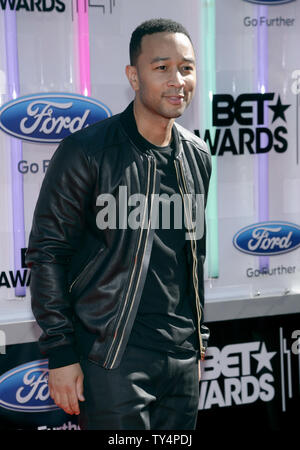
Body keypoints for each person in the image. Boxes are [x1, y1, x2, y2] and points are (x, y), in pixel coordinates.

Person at [26, 18, 211, 430]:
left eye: (187, 67)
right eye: (161, 67)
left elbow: (192, 256)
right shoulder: (87, 151)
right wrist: (61, 353)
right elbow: (48, 254)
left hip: (180, 359)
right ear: (133, 75)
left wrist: (197, 343)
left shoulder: (197, 156)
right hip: (112, 358)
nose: (177, 79)